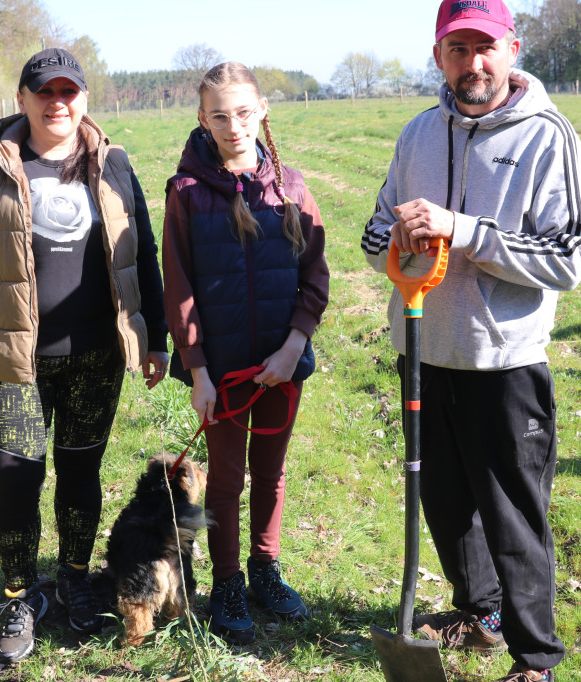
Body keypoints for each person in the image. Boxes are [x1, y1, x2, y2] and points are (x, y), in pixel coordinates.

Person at [361, 1, 581, 680]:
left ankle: (535, 655)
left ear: (512, 50)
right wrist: (397, 238)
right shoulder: (419, 134)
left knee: (512, 512)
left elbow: (566, 258)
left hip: (504, 360)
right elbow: (373, 232)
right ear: (439, 57)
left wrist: (463, 231)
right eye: (458, 49)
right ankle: (481, 614)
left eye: (486, 47)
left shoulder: (549, 136)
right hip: (424, 351)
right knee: (446, 502)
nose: (474, 63)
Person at [0, 47, 169, 663]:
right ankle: (19, 594)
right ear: (22, 99)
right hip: (11, 361)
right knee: (16, 480)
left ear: (84, 101)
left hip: (95, 356)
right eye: (44, 92)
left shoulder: (115, 165)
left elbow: (142, 252)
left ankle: (72, 576)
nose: (57, 102)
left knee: (80, 474)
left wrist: (156, 338)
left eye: (69, 91)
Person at [162, 62, 330, 644]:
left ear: (262, 110)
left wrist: (293, 347)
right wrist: (199, 372)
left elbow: (315, 276)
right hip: (223, 371)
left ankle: (265, 568)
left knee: (271, 471)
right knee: (227, 478)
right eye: (219, 115)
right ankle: (227, 581)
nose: (233, 126)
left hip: (282, 363)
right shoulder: (185, 193)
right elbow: (178, 287)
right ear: (202, 120)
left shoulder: (293, 187)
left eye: (242, 112)